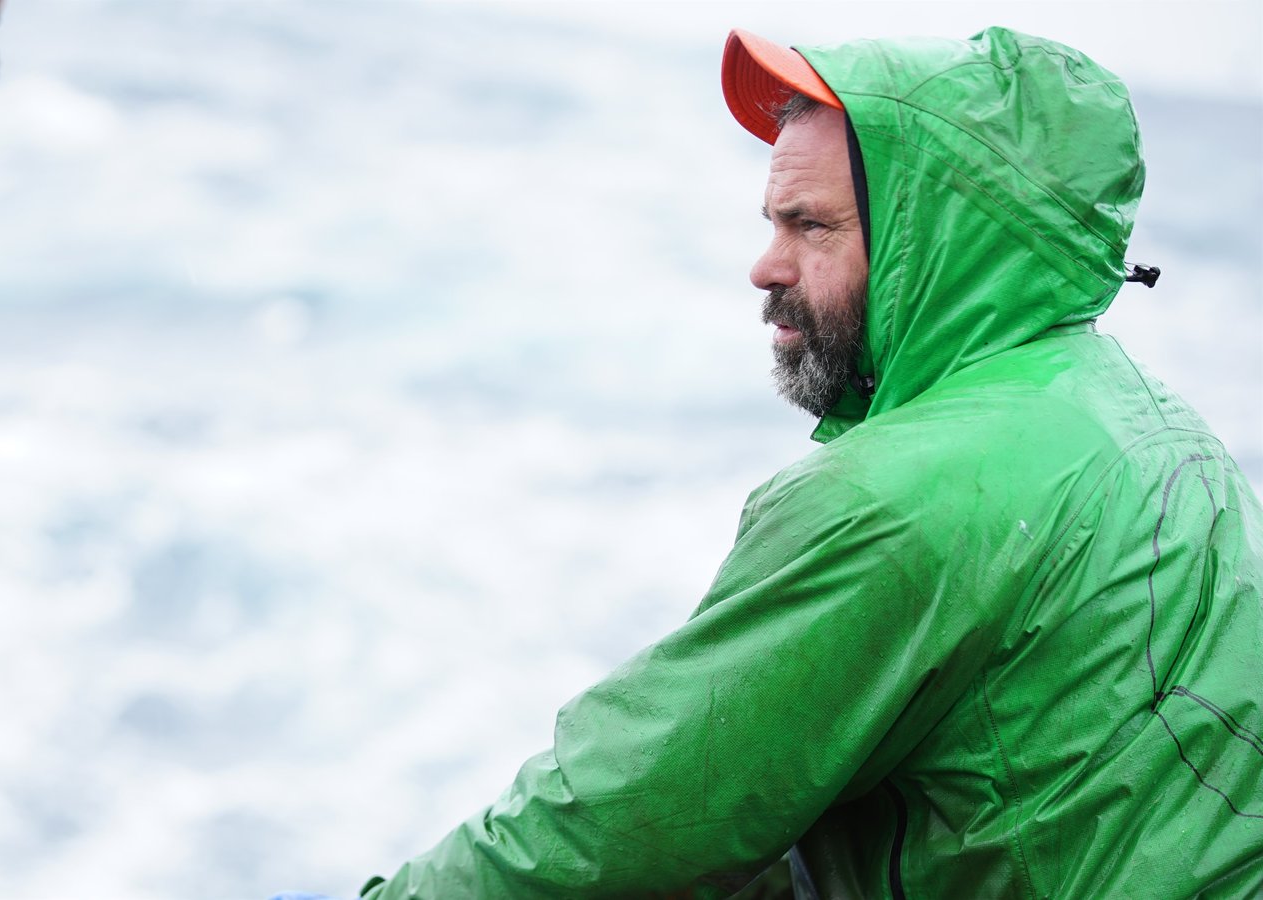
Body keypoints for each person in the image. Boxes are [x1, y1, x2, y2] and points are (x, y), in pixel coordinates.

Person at [284, 26, 1263, 898]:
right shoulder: (1149, 421)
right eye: (771, 222)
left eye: (810, 225)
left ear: (937, 243)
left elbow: (625, 822)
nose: (765, 265)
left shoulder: (895, 502)